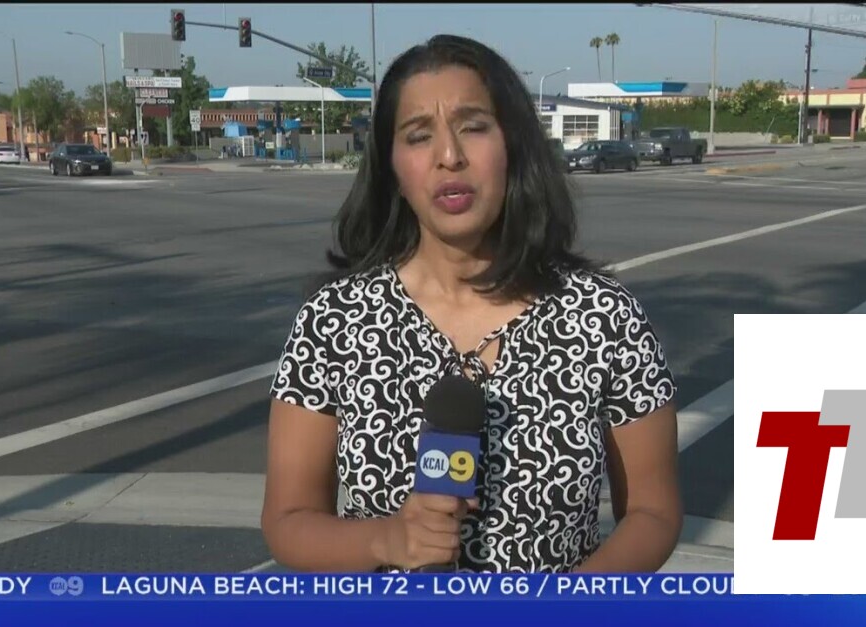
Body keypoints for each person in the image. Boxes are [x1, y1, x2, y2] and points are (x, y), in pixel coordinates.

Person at [261, 34, 681, 574]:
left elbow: (653, 512)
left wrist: (570, 604)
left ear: (513, 146)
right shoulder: (333, 321)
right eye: (419, 136)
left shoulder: (606, 317)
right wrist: (387, 540)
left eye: (474, 127)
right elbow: (289, 519)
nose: (449, 156)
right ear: (392, 169)